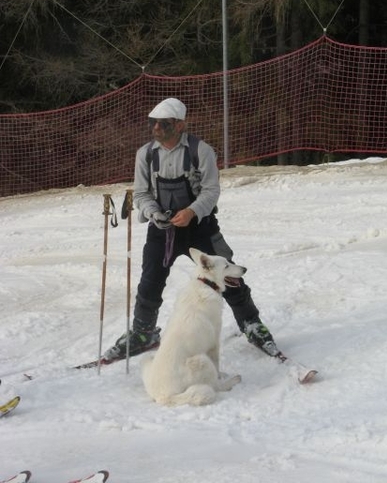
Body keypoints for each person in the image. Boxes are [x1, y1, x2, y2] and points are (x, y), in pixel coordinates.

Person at [104, 98, 279, 360]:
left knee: (228, 274)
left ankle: (251, 323)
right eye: (153, 123)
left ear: (180, 124)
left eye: (163, 124)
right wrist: (153, 213)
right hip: (162, 230)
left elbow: (211, 191)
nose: (156, 129)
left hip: (200, 227)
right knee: (150, 280)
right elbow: (141, 194)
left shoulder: (201, 151)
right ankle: (143, 332)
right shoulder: (146, 154)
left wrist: (191, 212)